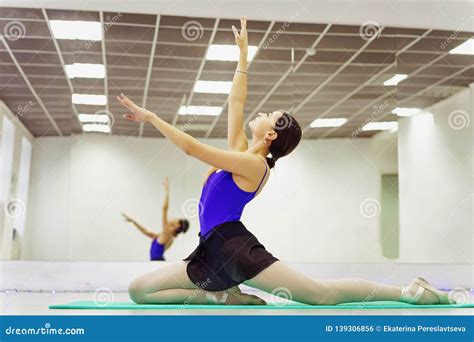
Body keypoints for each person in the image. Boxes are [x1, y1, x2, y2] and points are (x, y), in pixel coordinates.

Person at [118, 17, 451, 305]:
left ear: (272, 135)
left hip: (235, 248)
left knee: (322, 294)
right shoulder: (241, 152)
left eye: (269, 114)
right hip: (208, 249)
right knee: (139, 291)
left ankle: (409, 291)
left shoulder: (255, 167)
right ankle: (221, 294)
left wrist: (152, 119)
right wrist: (243, 57)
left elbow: (193, 148)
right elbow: (236, 101)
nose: (262, 112)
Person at [122, 177, 189, 261]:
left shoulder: (167, 234)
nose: (173, 218)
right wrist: (133, 221)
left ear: (178, 225)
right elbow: (146, 232)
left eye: (176, 219)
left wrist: (167, 191)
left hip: (157, 261)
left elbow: (164, 209)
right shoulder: (166, 235)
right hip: (157, 261)